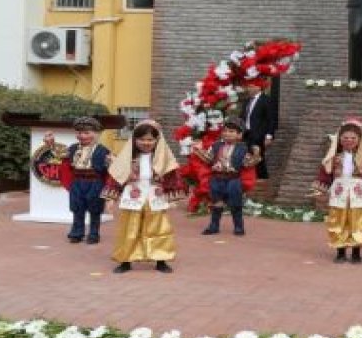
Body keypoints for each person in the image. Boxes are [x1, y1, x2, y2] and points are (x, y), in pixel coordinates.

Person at [103, 120, 186, 274]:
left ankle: (161, 259)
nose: (146, 143)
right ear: (135, 140)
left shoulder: (163, 158)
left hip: (155, 196)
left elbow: (172, 177)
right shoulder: (126, 157)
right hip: (133, 196)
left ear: (157, 140)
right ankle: (125, 260)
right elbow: (115, 178)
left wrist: (172, 198)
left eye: (150, 139)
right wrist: (111, 199)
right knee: (129, 229)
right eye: (142, 139)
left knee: (159, 229)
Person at [312, 118, 362, 264]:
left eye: (353, 138)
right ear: (340, 139)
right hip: (339, 192)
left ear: (359, 139)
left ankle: (356, 253)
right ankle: (340, 252)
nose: (349, 140)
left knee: (358, 223)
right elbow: (325, 173)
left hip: (358, 192)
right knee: (338, 222)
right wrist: (320, 190)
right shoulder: (334, 157)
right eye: (345, 138)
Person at [47, 117, 112, 245]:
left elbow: (111, 169)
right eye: (79, 133)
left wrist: (111, 164)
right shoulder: (72, 148)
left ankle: (93, 234)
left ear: (96, 133)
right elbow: (60, 154)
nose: (82, 136)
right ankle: (77, 233)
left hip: (95, 182)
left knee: (95, 209)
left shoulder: (103, 151)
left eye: (86, 133)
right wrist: (51, 144)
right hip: (77, 182)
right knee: (77, 208)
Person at [195, 118, 259, 236]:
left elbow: (247, 164)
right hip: (217, 178)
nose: (227, 134)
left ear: (239, 135)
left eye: (231, 131)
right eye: (225, 131)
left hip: (233, 179)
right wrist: (198, 150)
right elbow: (209, 159)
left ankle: (239, 227)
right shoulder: (216, 145)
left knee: (235, 203)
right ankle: (214, 226)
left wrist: (256, 155)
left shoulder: (243, 148)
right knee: (216, 202)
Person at [241, 78, 277, 180]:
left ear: (258, 87)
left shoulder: (266, 100)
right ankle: (250, 178)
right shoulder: (247, 101)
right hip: (246, 133)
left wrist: (269, 136)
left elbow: (271, 119)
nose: (248, 89)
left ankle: (262, 179)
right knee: (247, 156)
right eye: (248, 87)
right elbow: (242, 117)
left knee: (258, 157)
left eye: (251, 87)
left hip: (258, 134)